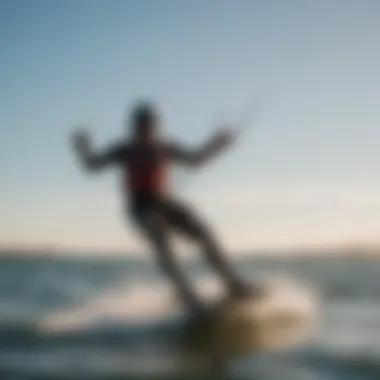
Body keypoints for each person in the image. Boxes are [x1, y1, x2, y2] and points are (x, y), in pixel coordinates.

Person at [71, 101, 251, 315]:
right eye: (141, 125)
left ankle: (233, 285)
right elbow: (92, 166)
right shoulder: (125, 150)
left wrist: (217, 144)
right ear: (133, 126)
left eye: (149, 125)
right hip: (140, 207)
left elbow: (195, 160)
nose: (145, 129)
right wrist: (83, 148)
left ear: (156, 126)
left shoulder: (164, 147)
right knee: (163, 240)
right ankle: (187, 296)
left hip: (164, 201)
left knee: (203, 232)